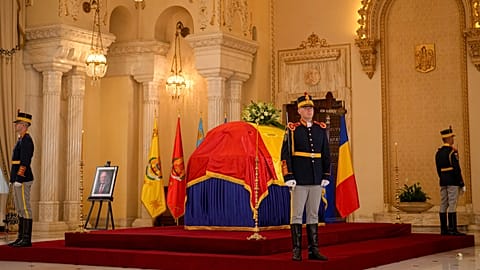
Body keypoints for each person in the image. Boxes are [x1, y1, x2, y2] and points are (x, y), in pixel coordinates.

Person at [281, 93, 331, 261]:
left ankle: (313, 250)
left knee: (313, 215)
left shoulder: (320, 129)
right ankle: (296, 250)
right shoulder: (293, 129)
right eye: (306, 108)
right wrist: (289, 176)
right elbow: (285, 155)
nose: (309, 111)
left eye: (311, 108)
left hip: (316, 178)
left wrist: (325, 174)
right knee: (296, 215)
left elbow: (325, 153)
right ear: (299, 110)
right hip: (299, 178)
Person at [8, 110, 35, 247]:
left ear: (24, 125)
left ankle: (26, 238)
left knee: (25, 207)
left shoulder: (26, 140)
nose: (16, 125)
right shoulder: (21, 139)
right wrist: (14, 178)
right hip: (17, 178)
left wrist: (19, 177)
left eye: (18, 123)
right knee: (19, 208)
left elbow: (25, 161)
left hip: (23, 179)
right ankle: (20, 237)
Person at [435, 126, 465, 236]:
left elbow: (438, 169)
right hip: (452, 180)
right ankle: (452, 229)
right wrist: (461, 183)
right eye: (452, 137)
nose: (453, 139)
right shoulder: (451, 153)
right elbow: (456, 169)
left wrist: (442, 178)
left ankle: (444, 229)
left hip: (443, 181)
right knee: (452, 203)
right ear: (448, 139)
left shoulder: (438, 153)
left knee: (443, 203)